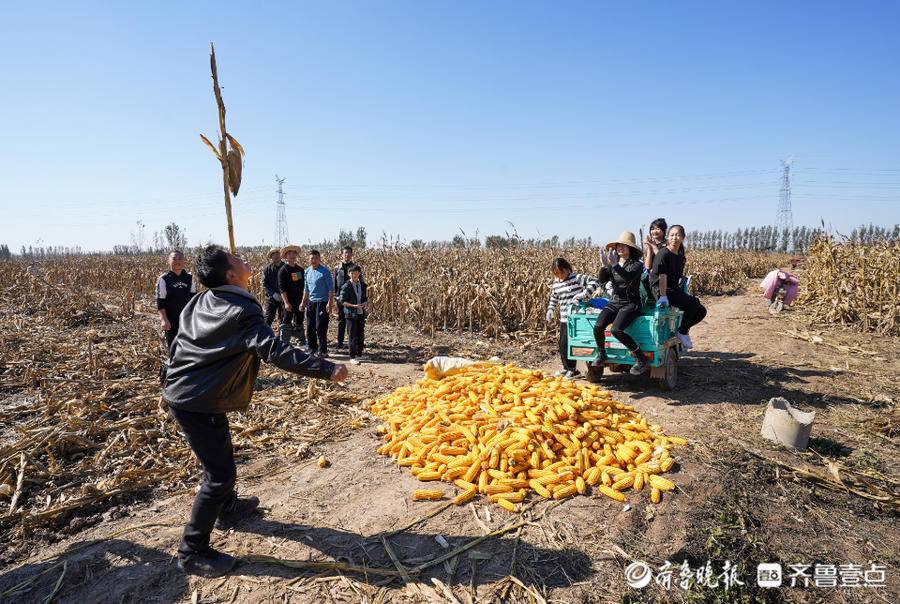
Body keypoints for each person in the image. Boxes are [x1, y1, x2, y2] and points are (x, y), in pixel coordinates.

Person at [162, 245, 348, 578]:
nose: (243, 258)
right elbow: (275, 351)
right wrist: (325, 369)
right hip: (195, 399)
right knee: (219, 475)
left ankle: (228, 508)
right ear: (231, 275)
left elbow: (178, 343)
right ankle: (192, 550)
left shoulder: (200, 300)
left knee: (222, 453)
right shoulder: (241, 312)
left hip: (195, 393)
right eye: (235, 259)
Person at [593, 231, 649, 375]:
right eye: (618, 245)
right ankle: (602, 354)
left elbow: (628, 278)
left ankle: (641, 358)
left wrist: (614, 265)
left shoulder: (636, 265)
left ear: (631, 249)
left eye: (624, 246)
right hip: (615, 301)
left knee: (616, 330)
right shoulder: (614, 263)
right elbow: (603, 280)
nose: (620, 248)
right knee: (599, 325)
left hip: (631, 303)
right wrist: (605, 266)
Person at [650, 224, 707, 349]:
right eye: (671, 235)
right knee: (693, 303)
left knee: (702, 311)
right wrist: (663, 296)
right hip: (660, 290)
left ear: (683, 237)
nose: (674, 237)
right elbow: (662, 277)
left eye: (677, 235)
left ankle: (682, 330)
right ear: (667, 237)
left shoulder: (680, 257)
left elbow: (676, 278)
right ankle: (682, 332)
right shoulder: (663, 254)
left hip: (672, 289)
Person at [545, 257, 600, 378]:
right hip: (564, 317)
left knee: (569, 343)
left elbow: (595, 281)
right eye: (556, 273)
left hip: (576, 317)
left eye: (561, 272)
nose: (559, 275)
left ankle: (573, 370)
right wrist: (550, 309)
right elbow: (554, 298)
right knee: (562, 344)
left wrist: (584, 294)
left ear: (567, 268)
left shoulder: (576, 278)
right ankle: (567, 368)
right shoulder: (556, 283)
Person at [156, 250, 197, 357]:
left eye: (180, 258)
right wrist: (164, 319)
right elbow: (160, 301)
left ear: (184, 262)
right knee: (174, 348)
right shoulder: (164, 279)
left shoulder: (189, 278)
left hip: (187, 319)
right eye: (174, 258)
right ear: (168, 261)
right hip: (171, 319)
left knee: (188, 347)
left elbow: (193, 298)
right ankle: (175, 370)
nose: (177, 261)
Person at [300, 250, 335, 357]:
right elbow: (306, 289)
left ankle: (323, 351)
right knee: (310, 326)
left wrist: (330, 303)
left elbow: (331, 289)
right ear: (309, 259)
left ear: (319, 259)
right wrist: (303, 302)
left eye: (316, 258)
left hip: (322, 302)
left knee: (321, 327)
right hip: (311, 303)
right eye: (312, 258)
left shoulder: (325, 271)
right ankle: (312, 349)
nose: (314, 260)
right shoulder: (307, 271)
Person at [277, 245, 306, 346]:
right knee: (286, 320)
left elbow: (304, 286)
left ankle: (300, 340)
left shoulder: (300, 270)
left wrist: (304, 300)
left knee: (299, 319)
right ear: (286, 256)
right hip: (288, 300)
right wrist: (286, 302)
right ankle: (284, 342)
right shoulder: (283, 270)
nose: (292, 255)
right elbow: (282, 288)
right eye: (289, 254)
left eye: (294, 253)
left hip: (299, 300)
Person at [338, 264, 367, 364]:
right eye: (352, 273)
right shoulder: (346, 286)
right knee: (352, 335)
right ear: (349, 274)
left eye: (356, 273)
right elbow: (342, 301)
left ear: (359, 273)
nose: (354, 275)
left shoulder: (362, 285)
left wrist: (364, 303)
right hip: (351, 314)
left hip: (360, 313)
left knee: (360, 333)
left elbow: (364, 298)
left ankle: (359, 353)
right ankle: (352, 356)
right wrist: (353, 306)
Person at [333, 246, 355, 350]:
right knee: (341, 321)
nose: (347, 255)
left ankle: (352, 344)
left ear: (351, 254)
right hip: (340, 298)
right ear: (342, 254)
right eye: (345, 253)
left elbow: (360, 283)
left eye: (349, 253)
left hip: (352, 299)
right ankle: (340, 343)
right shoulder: (337, 268)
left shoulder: (355, 268)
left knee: (352, 321)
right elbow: (335, 284)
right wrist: (335, 297)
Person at [261, 248, 284, 327]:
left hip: (284, 298)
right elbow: (264, 284)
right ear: (271, 257)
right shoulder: (267, 269)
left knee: (283, 319)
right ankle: (265, 336)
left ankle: (281, 337)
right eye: (273, 254)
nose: (276, 256)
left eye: (277, 253)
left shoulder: (285, 267)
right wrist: (273, 294)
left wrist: (283, 295)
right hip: (271, 298)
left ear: (280, 255)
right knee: (268, 318)